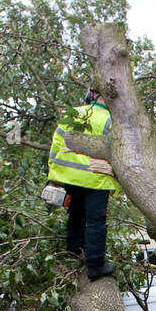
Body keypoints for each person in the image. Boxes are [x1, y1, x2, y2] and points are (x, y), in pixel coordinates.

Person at [48, 90, 119, 279]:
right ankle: (95, 265)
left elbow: (56, 143)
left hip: (70, 176)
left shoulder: (73, 113)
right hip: (96, 177)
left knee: (76, 216)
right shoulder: (111, 121)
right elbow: (119, 154)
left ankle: (74, 253)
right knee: (96, 222)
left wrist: (53, 174)